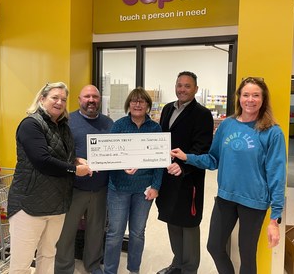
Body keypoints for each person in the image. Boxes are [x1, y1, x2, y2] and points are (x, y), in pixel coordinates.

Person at [171, 77, 286, 274]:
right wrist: (187, 157)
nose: (250, 100)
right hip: (225, 197)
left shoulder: (272, 132)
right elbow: (213, 159)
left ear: (263, 99)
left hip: (254, 201)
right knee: (214, 246)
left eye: (256, 95)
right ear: (239, 98)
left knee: (247, 254)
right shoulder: (227, 125)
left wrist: (275, 217)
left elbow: (277, 174)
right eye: (246, 95)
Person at [7, 82, 92, 274]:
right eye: (55, 97)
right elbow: (42, 160)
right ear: (42, 98)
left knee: (48, 255)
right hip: (29, 206)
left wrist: (76, 160)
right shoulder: (30, 124)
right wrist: (73, 170)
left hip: (56, 204)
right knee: (22, 263)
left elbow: (61, 155)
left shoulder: (62, 127)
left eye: (63, 99)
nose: (60, 102)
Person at [156, 71, 214, 274]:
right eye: (179, 85)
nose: (182, 89)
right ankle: (177, 263)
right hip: (167, 176)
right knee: (171, 218)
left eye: (187, 86)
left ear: (196, 89)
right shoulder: (167, 109)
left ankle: (189, 269)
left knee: (188, 224)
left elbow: (202, 148)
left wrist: (184, 165)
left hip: (189, 178)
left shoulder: (202, 114)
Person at [103, 87, 164, 274]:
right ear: (128, 104)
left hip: (144, 190)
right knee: (115, 234)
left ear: (147, 105)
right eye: (134, 101)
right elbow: (110, 155)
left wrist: (156, 186)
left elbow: (160, 161)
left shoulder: (155, 128)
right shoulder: (118, 125)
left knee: (138, 233)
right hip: (118, 188)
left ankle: (133, 270)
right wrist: (122, 165)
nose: (137, 104)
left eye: (142, 101)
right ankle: (110, 270)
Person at [55, 85, 113, 274]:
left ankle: (93, 265)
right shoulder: (67, 121)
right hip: (73, 187)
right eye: (87, 96)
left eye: (95, 97)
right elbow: (58, 152)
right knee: (66, 232)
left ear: (99, 100)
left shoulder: (109, 123)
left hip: (100, 187)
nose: (91, 100)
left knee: (96, 231)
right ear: (79, 99)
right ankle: (64, 268)